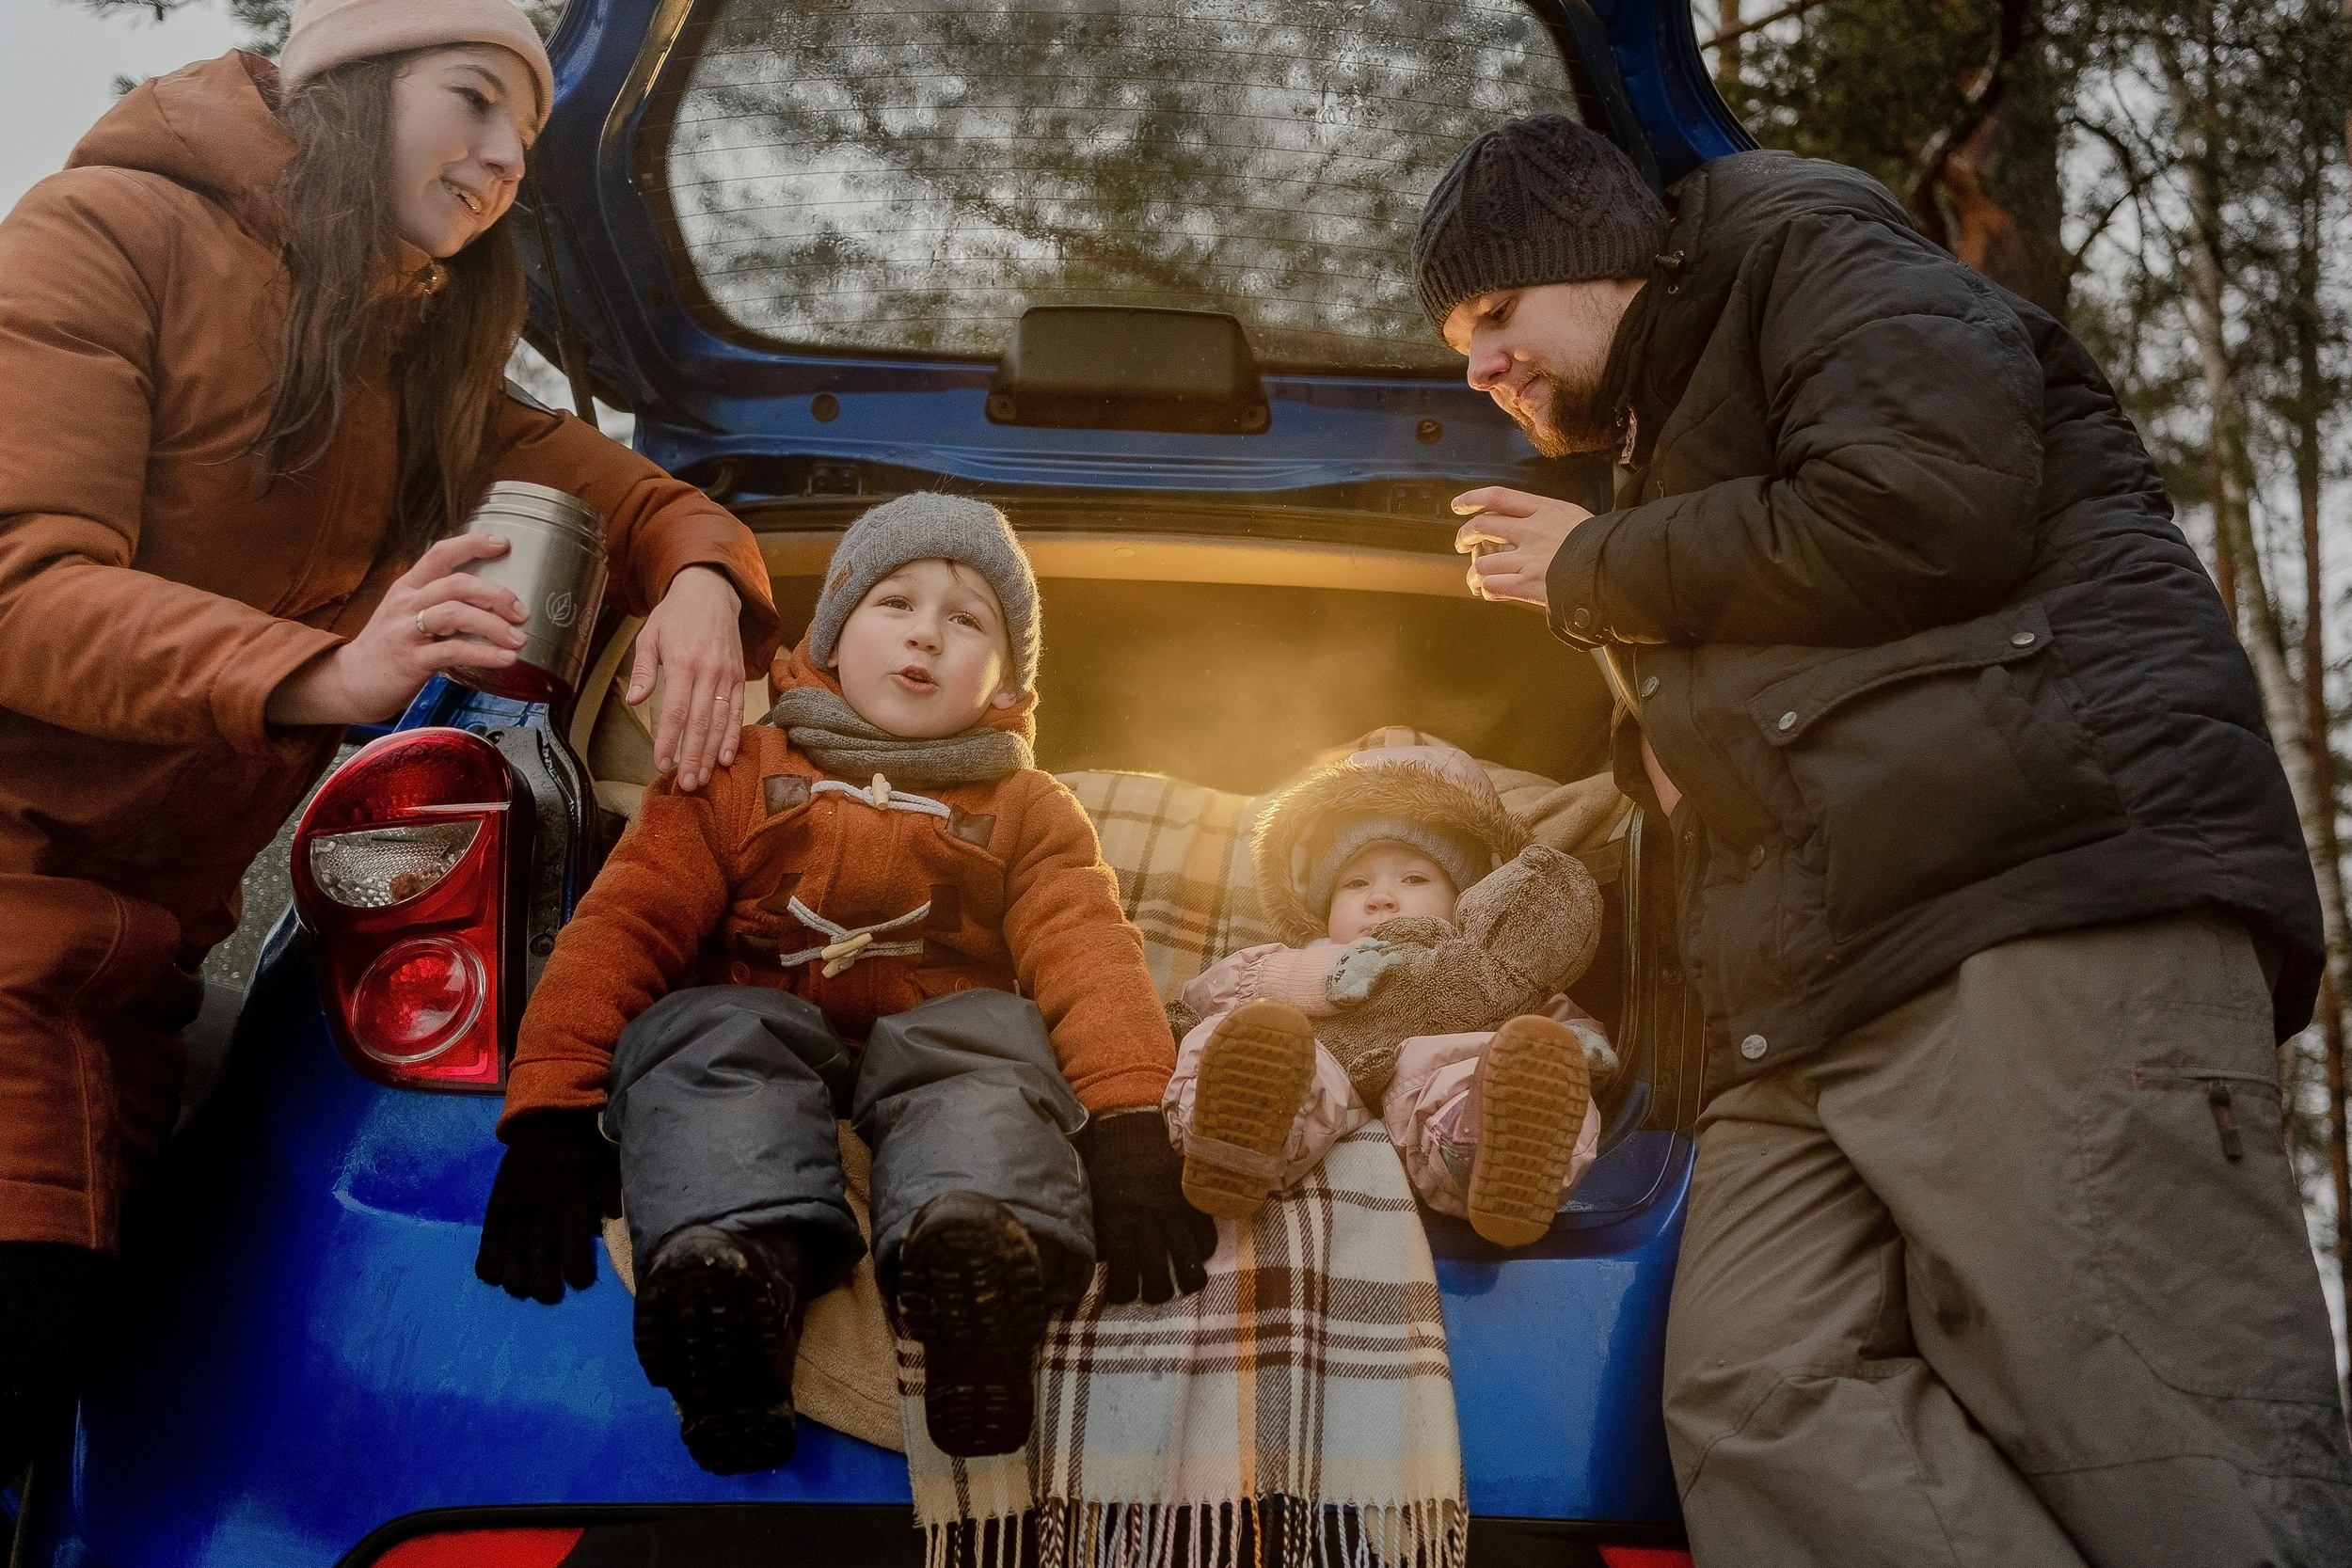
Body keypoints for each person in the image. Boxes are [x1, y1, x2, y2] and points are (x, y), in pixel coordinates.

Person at [1414, 113, 2352, 1563]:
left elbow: (1923, 504)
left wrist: (1593, 566)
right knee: (1753, 1391)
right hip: (1810, 996)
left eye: (1491, 314)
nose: (1475, 368)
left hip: (2036, 901)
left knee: (2160, 1438)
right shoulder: (1662, 434)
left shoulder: (1808, 243)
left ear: (1594, 258)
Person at [0, 0, 784, 1487]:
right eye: (471, 99)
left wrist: (695, 583)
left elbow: (640, 498)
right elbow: (17, 585)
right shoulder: (104, 230)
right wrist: (321, 667)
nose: (500, 161)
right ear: (351, 85)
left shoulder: (420, 366)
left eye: (525, 138)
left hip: (138, 980)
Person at [476, 493, 1214, 1474]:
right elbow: (621, 929)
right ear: (829, 636)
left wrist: (1128, 1123)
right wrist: (552, 1111)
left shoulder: (1030, 807)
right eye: (893, 603)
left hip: (933, 1041)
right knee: (699, 1033)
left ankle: (976, 1284)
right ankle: (735, 1290)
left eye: (967, 621)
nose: (924, 635)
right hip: (761, 1026)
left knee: (996, 1045)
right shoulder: (731, 769)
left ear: (1006, 683)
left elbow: (1091, 953)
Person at [1162, 737, 1615, 1245]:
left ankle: (1490, 1157)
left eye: (1415, 877)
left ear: (1465, 899)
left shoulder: (1480, 971)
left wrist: (1575, 1045)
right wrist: (1319, 978)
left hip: (1432, 1065)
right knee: (1260, 1049)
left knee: (1473, 1078)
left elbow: (1541, 1016)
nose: (1379, 898)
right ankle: (1230, 1139)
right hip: (1317, 1056)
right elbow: (1221, 991)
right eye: (1354, 884)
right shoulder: (1309, 955)